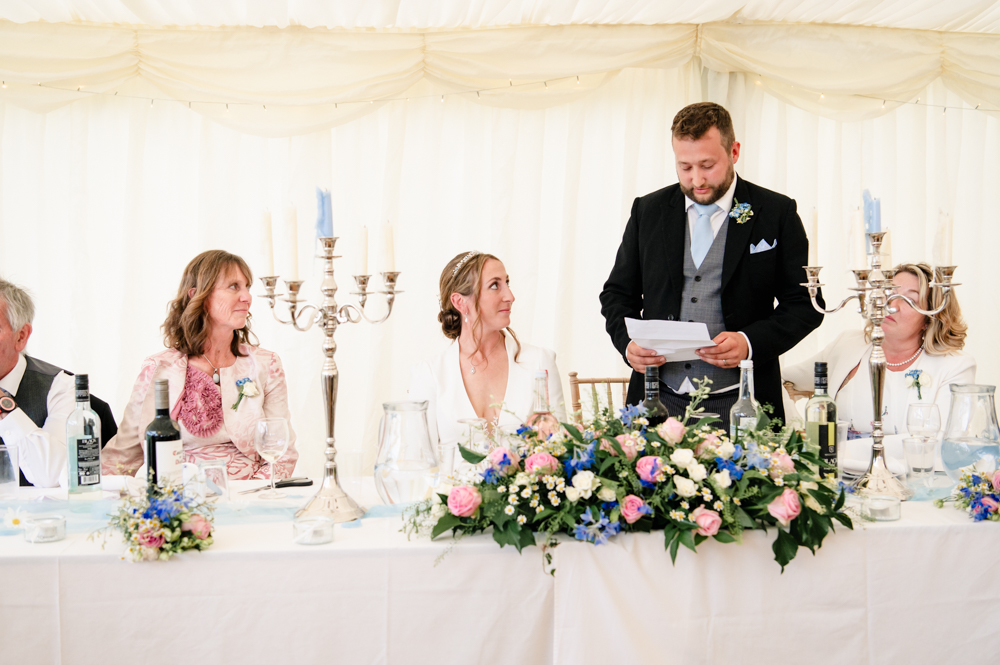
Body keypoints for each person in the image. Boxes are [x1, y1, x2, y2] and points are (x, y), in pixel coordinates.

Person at [600, 102, 823, 429]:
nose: (696, 179)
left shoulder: (776, 213)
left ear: (734, 151)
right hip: (657, 400)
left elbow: (805, 305)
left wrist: (749, 342)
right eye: (685, 167)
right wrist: (628, 344)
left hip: (745, 403)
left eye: (707, 165)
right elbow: (617, 295)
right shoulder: (648, 211)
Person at [102, 250, 297, 479]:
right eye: (234, 286)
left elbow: (282, 451)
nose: (247, 297)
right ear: (199, 296)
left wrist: (249, 498)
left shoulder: (266, 364)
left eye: (247, 287)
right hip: (180, 499)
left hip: (251, 495)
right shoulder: (158, 368)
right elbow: (123, 456)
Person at [783, 262, 975, 437]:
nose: (892, 305)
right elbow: (778, 378)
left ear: (929, 318)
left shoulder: (955, 366)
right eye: (889, 293)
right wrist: (798, 432)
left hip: (906, 472)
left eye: (910, 301)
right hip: (835, 471)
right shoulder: (848, 344)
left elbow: (944, 440)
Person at [410, 251, 565, 450]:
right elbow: (418, 460)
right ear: (460, 302)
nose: (510, 296)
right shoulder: (429, 374)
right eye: (495, 285)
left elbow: (562, 450)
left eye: (507, 283)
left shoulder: (540, 362)